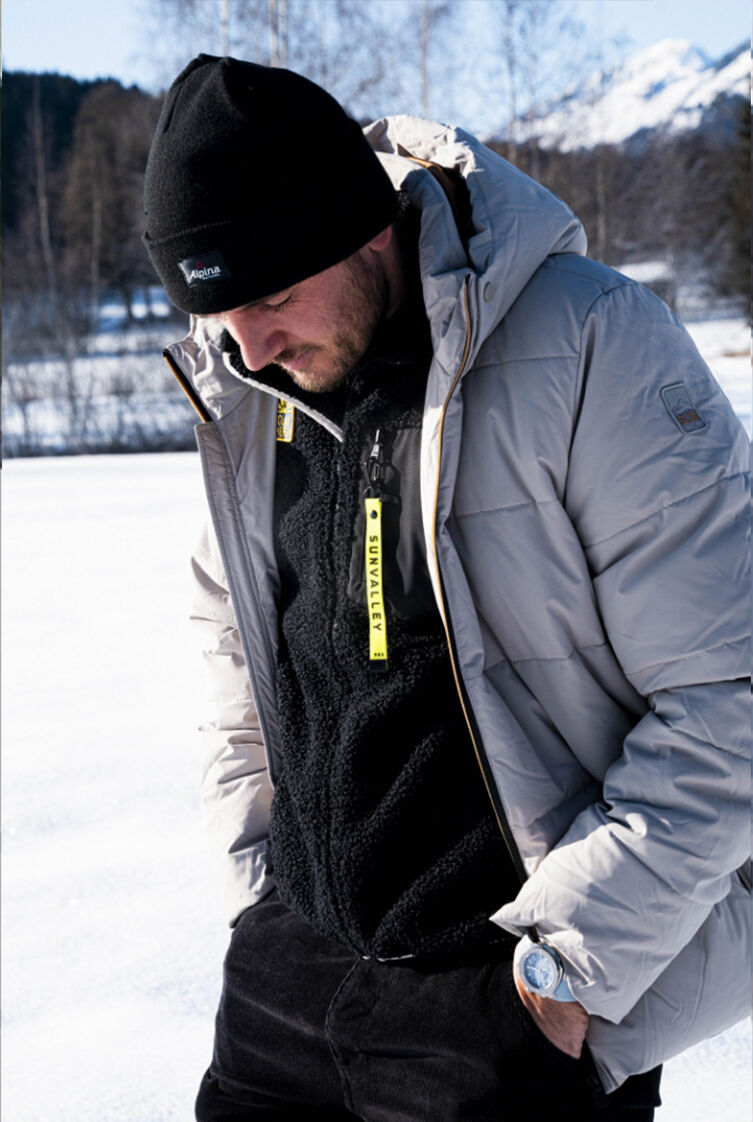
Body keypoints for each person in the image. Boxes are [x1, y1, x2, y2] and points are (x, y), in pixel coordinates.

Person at [143, 55, 751, 1121]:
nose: (253, 347)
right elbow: (233, 644)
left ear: (367, 230)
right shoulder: (252, 381)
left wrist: (559, 978)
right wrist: (258, 889)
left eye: (275, 296)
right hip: (289, 981)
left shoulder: (588, 342)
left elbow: (728, 697)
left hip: (500, 1010)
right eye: (222, 313)